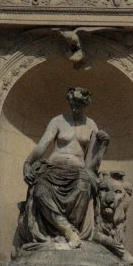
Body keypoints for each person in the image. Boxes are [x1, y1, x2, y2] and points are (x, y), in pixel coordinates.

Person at [18, 87, 110, 248]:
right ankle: (68, 231)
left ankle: (69, 232)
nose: (75, 107)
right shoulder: (58, 121)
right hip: (53, 169)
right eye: (72, 103)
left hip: (78, 172)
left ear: (86, 104)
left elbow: (92, 164)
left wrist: (103, 146)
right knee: (40, 191)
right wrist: (27, 163)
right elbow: (42, 146)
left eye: (79, 104)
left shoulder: (91, 125)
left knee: (84, 187)